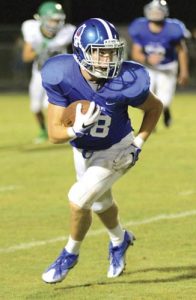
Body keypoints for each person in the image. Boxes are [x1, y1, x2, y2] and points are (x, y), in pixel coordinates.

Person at [41, 18, 163, 284]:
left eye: (112, 51)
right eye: (100, 51)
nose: (108, 58)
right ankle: (120, 241)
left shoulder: (128, 79)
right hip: (82, 149)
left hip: (117, 148)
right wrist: (76, 130)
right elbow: (53, 134)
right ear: (81, 51)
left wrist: (138, 144)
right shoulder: (61, 74)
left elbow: (155, 108)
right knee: (100, 203)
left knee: (78, 199)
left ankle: (69, 254)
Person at [128, 0, 189, 127]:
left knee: (164, 102)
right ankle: (150, 122)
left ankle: (165, 111)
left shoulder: (173, 28)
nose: (155, 14)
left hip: (167, 67)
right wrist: (146, 59)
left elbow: (182, 51)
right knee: (144, 99)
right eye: (153, 11)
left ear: (165, 12)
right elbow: (135, 53)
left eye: (158, 11)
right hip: (149, 67)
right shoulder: (140, 27)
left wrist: (183, 71)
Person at [21, 1, 76, 143]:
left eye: (58, 20)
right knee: (35, 107)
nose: (55, 23)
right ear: (42, 19)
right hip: (39, 73)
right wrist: (39, 50)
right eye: (52, 20)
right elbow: (26, 57)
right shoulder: (31, 29)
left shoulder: (68, 32)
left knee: (52, 104)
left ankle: (64, 131)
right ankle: (43, 130)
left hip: (58, 75)